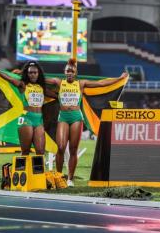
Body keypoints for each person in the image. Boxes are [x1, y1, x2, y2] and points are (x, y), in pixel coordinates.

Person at [46, 59, 129, 187]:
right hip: (63, 117)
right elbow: (40, 79)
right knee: (61, 147)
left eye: (72, 71)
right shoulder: (58, 82)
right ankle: (59, 176)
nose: (69, 73)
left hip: (76, 118)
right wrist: (23, 75)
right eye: (68, 70)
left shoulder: (81, 84)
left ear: (75, 73)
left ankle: (70, 179)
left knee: (73, 149)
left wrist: (118, 79)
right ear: (64, 71)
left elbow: (101, 84)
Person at [0, 61, 49, 155]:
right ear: (27, 74)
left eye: (35, 72)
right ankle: (22, 169)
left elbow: (56, 96)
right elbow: (9, 79)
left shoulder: (42, 87)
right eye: (30, 73)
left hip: (39, 120)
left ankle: (39, 170)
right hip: (26, 119)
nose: (33, 75)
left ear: (39, 74)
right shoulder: (23, 85)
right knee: (25, 151)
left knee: (40, 151)